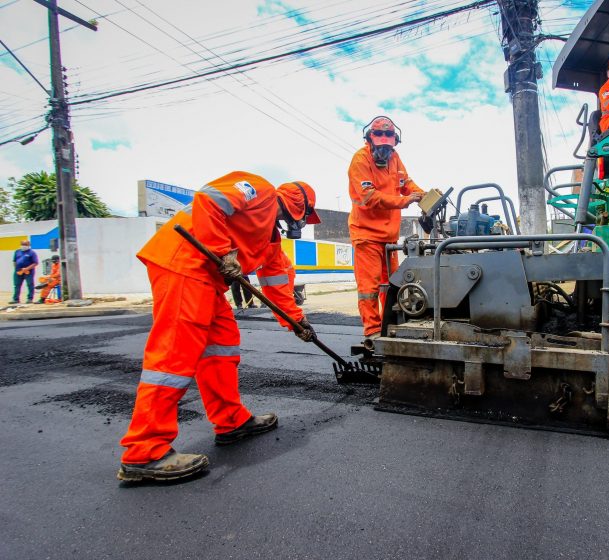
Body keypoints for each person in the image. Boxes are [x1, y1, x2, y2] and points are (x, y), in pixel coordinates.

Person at [117, 171, 321, 483]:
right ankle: (144, 451)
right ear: (300, 208)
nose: (305, 223)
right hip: (183, 264)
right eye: (307, 217)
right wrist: (223, 250)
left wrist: (296, 322)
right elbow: (208, 199)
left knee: (222, 345)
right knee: (174, 358)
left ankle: (231, 421)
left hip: (206, 282)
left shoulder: (270, 243)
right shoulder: (259, 190)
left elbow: (278, 287)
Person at [348, 116, 424, 340]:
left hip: (388, 238)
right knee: (369, 287)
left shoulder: (395, 158)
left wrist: (424, 196)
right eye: (380, 147)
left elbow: (406, 183)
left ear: (394, 143)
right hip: (367, 235)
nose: (384, 152)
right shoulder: (360, 160)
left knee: (391, 285)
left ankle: (389, 325)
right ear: (370, 140)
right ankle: (372, 331)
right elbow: (369, 197)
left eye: (388, 147)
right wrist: (405, 201)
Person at [10, 239, 38, 304]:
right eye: (22, 244)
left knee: (30, 284)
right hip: (18, 271)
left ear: (29, 245)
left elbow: (35, 263)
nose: (24, 246)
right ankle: (15, 299)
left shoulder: (32, 253)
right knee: (17, 285)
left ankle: (30, 299)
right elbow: (14, 261)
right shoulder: (17, 251)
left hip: (28, 272)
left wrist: (27, 269)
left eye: (25, 245)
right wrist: (16, 269)